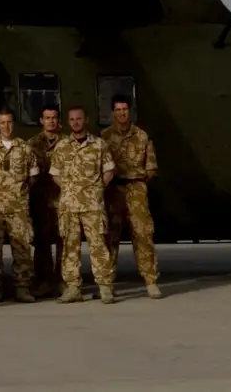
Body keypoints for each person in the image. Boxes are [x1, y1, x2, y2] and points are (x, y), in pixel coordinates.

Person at [51, 105, 117, 304]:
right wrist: (72, 190)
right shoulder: (62, 146)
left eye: (79, 119)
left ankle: (105, 287)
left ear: (85, 120)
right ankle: (73, 288)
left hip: (93, 206)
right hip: (69, 206)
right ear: (68, 122)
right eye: (72, 120)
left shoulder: (99, 145)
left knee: (98, 246)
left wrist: (95, 190)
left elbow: (109, 171)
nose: (75, 123)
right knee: (70, 249)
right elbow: (55, 175)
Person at [101, 94, 163, 299]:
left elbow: (152, 167)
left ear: (130, 111)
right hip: (113, 191)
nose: (122, 113)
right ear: (113, 112)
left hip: (136, 190)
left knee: (143, 235)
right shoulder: (105, 137)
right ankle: (107, 283)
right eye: (118, 110)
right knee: (109, 237)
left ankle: (151, 281)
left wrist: (139, 180)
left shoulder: (142, 136)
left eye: (125, 109)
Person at [0, 107, 38, 303]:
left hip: (18, 208)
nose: (6, 126)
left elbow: (33, 177)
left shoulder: (25, 148)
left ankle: (22, 288)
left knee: (22, 248)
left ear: (14, 123)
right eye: (2, 122)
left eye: (9, 122)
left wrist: (18, 192)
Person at [27, 106, 66, 297]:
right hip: (40, 199)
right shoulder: (32, 144)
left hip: (62, 199)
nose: (50, 121)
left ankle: (63, 280)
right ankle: (43, 280)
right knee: (41, 241)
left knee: (63, 240)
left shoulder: (67, 142)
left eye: (54, 117)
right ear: (41, 120)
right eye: (47, 117)